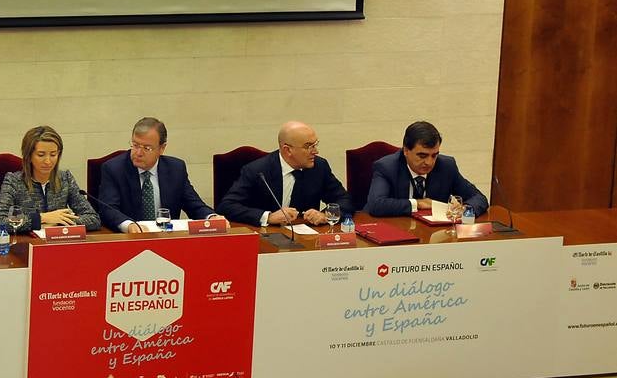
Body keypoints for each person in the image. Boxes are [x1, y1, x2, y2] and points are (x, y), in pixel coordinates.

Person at [217, 121, 352, 227]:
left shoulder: (319, 167)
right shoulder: (258, 170)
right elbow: (227, 206)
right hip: (266, 238)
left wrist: (325, 215)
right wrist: (268, 217)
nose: (315, 151)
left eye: (315, 144)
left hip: (306, 240)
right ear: (287, 150)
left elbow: (345, 200)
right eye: (308, 146)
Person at [96, 117, 215, 232]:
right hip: (129, 240)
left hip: (166, 239)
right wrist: (129, 225)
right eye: (135, 145)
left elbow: (194, 204)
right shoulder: (114, 169)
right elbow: (108, 209)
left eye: (146, 148)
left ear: (162, 148)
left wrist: (211, 217)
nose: (138, 153)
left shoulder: (176, 169)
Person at [366, 121, 489, 217]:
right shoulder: (387, 167)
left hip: (433, 236)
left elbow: (479, 198)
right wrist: (418, 203)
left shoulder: (446, 166)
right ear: (406, 151)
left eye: (434, 155)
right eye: (422, 155)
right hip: (396, 234)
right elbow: (376, 204)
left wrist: (464, 209)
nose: (429, 162)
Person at [0, 124, 100, 233]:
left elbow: (93, 219)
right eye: (41, 155)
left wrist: (59, 222)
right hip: (27, 246)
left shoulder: (65, 178)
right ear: (28, 156)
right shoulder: (13, 181)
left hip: (58, 244)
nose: (48, 161)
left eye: (53, 155)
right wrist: (42, 218)